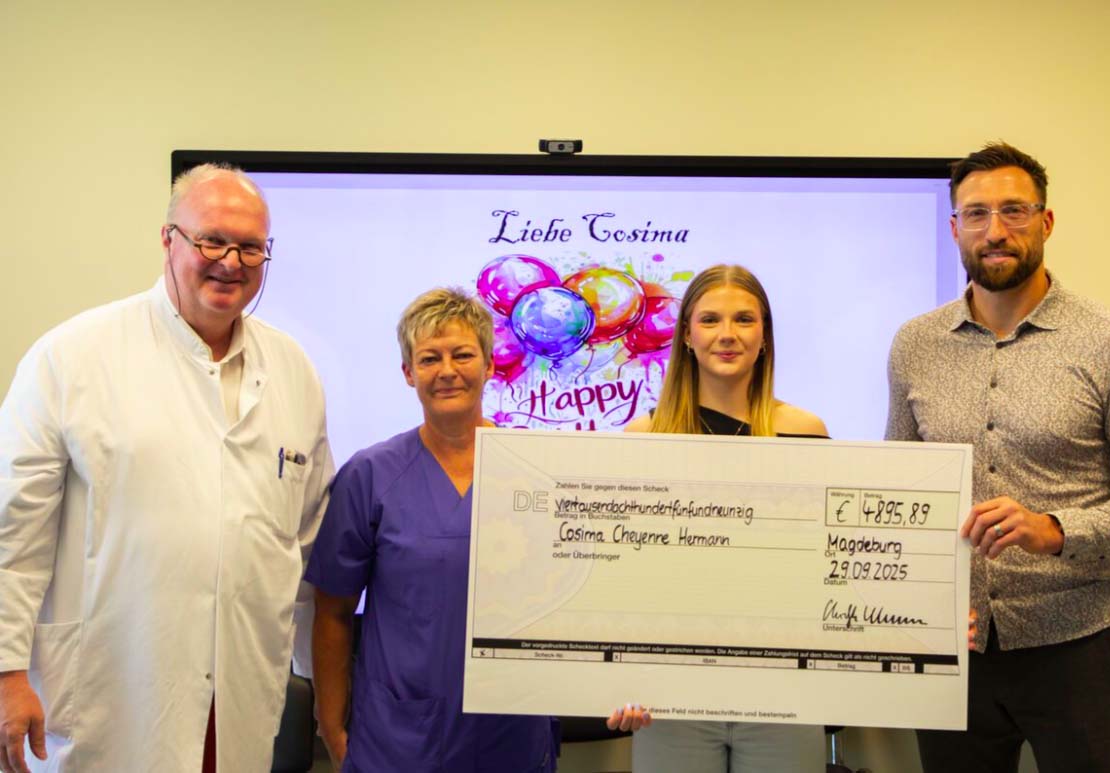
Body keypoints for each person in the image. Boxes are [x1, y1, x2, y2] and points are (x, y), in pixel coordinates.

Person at [0, 163, 333, 773]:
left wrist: (322, 686)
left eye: (250, 247)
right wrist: (5, 672)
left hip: (239, 692)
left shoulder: (293, 370)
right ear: (168, 240)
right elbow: (13, 531)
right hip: (111, 685)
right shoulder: (72, 356)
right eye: (212, 240)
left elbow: (306, 539)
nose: (230, 262)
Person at [886, 142, 1110, 772]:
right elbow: (899, 494)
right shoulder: (914, 344)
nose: (995, 231)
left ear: (1046, 221)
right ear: (954, 228)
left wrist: (1056, 530)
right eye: (976, 214)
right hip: (955, 647)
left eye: (1014, 210)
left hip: (1077, 644)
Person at [307, 287, 556, 772]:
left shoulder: (538, 469)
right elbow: (332, 611)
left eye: (462, 355)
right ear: (408, 372)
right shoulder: (370, 475)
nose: (446, 371)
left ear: (490, 363)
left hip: (512, 733)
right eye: (429, 358)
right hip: (398, 740)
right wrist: (332, 728)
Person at [608, 263, 828, 771]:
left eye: (744, 319)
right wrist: (619, 679)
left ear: (765, 336)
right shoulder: (644, 438)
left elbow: (826, 562)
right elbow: (620, 574)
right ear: (686, 335)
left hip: (783, 689)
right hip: (670, 696)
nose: (727, 334)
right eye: (710, 320)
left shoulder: (806, 431)